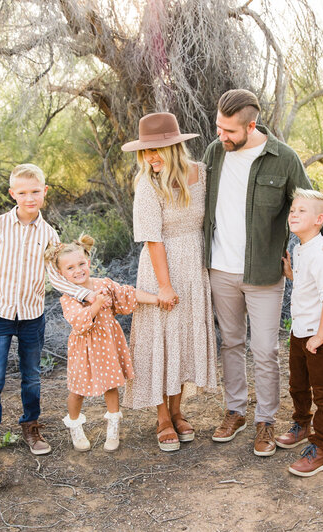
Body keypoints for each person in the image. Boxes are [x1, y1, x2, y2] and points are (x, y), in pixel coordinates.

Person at [203, 89, 323, 456]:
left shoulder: (284, 159)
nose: (222, 136)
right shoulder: (214, 153)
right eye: (218, 127)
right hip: (221, 268)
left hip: (265, 271)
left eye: (229, 131)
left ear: (251, 125)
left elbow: (310, 201)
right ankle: (234, 411)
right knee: (231, 344)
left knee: (264, 349)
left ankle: (265, 420)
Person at [0, 163, 91, 472]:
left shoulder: (49, 233)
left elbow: (55, 276)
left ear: (44, 192)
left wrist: (83, 293)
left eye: (35, 191)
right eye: (22, 193)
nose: (29, 198)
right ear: (12, 194)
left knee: (32, 376)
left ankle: (31, 426)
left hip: (32, 316)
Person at [121, 112, 219, 452]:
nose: (151, 158)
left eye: (157, 149)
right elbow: (152, 239)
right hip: (161, 268)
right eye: (146, 152)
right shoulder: (147, 184)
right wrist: (164, 285)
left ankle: (178, 411)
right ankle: (162, 416)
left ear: (175, 147)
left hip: (195, 265)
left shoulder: (201, 175)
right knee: (162, 339)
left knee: (184, 338)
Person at [47, 235, 159, 452]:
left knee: (111, 385)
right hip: (83, 348)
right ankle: (75, 426)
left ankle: (113, 428)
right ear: (61, 274)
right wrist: (96, 303)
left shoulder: (104, 285)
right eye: (70, 268)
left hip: (107, 345)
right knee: (77, 389)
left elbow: (127, 295)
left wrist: (156, 299)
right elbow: (79, 323)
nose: (78, 270)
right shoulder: (68, 297)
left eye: (81, 264)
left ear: (88, 262)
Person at [277, 189, 323, 476]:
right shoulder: (303, 248)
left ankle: (320, 448)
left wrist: (320, 336)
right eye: (293, 209)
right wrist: (292, 273)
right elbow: (308, 284)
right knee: (298, 384)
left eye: (301, 211)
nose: (293, 214)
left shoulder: (322, 252)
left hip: (321, 335)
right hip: (301, 330)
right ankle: (302, 424)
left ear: (319, 219)